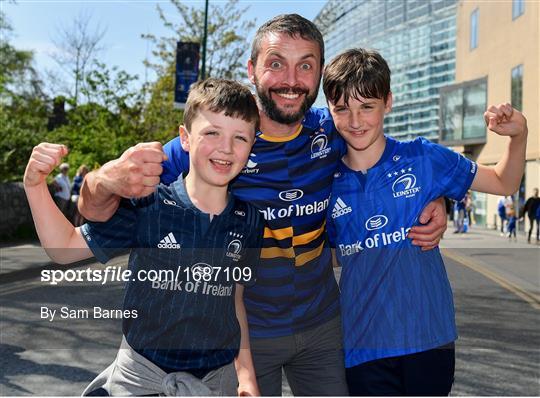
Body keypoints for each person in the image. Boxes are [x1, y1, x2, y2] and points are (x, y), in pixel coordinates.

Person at [78, 14, 448, 396]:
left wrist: (434, 198)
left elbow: (391, 160)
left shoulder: (334, 130)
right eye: (276, 63)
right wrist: (99, 181)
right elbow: (94, 212)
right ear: (252, 69)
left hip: (322, 327)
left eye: (305, 65)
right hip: (248, 338)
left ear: (319, 74)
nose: (291, 80)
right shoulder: (222, 139)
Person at [23, 79, 264, 396]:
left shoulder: (250, 221)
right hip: (141, 380)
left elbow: (234, 300)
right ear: (185, 138)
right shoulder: (147, 204)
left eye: (240, 138)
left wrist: (246, 376)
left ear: (251, 146)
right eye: (212, 132)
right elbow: (65, 248)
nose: (226, 147)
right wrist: (35, 186)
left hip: (216, 384)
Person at [322, 48, 528, 396]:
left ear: (388, 102)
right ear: (330, 108)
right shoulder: (325, 181)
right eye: (342, 109)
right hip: (362, 345)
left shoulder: (423, 158)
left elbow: (504, 183)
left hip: (429, 339)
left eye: (367, 107)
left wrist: (518, 136)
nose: (355, 121)